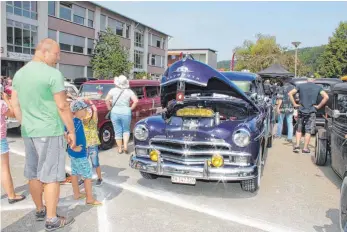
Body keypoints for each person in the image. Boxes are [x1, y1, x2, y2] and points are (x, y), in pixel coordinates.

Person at [11, 38, 76, 230]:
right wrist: (71, 130)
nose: (58, 58)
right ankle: (52, 219)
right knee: (51, 176)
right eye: (56, 54)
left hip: (28, 131)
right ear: (45, 52)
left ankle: (40, 209)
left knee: (33, 173)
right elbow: (62, 106)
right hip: (49, 130)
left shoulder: (19, 74)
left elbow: (15, 104)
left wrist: (25, 124)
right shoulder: (53, 74)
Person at [67, 100, 102, 206]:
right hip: (80, 153)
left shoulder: (73, 121)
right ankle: (90, 199)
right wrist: (74, 146)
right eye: (83, 109)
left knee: (74, 172)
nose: (85, 111)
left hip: (73, 153)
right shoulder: (76, 122)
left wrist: (71, 146)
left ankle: (76, 193)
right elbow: (66, 134)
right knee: (87, 176)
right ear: (77, 111)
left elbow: (65, 133)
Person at [288, 78, 329, 153]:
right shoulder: (318, 87)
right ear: (314, 80)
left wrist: (294, 104)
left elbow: (290, 93)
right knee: (308, 130)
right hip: (311, 111)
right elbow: (326, 97)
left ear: (307, 80)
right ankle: (305, 148)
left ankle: (297, 146)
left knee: (299, 128)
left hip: (301, 110)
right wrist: (319, 106)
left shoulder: (300, 86)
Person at [0, 84, 26, 204]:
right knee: (4, 168)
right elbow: (13, 113)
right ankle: (11, 195)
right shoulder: (1, 104)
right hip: (0, 140)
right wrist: (6, 99)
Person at [105, 75, 138, 154]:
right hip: (126, 112)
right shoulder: (129, 91)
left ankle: (120, 149)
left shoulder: (112, 90)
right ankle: (126, 146)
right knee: (126, 130)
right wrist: (130, 108)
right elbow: (136, 101)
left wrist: (109, 108)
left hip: (115, 112)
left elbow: (106, 99)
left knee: (117, 131)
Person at [78, 97, 103, 186]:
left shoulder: (93, 122)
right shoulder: (80, 123)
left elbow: (95, 110)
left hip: (92, 145)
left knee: (95, 163)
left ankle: (99, 178)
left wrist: (90, 101)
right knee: (83, 163)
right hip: (84, 146)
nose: (85, 118)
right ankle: (83, 178)